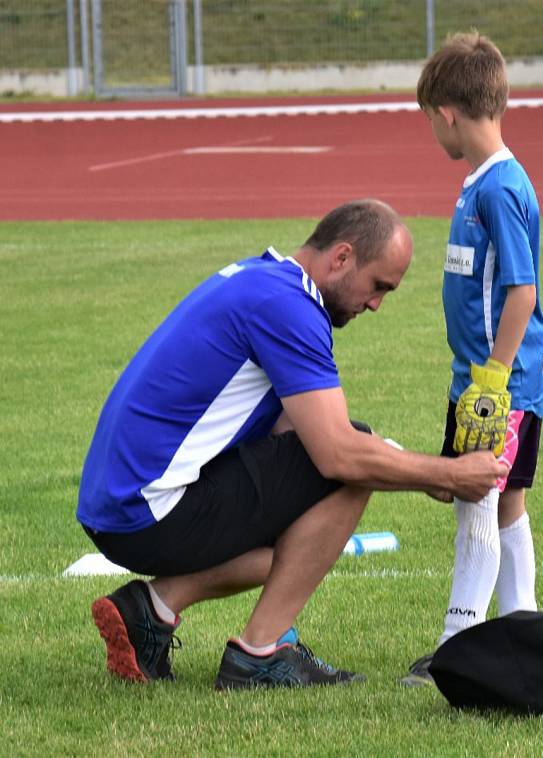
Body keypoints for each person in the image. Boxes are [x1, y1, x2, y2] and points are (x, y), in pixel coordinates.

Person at [77, 198, 507, 690]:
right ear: (341, 258)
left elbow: (289, 428)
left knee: (299, 540)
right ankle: (260, 653)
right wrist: (447, 474)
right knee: (351, 466)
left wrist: (406, 465)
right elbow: (339, 454)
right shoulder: (289, 307)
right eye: (378, 286)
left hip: (119, 504)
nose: (375, 304)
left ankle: (150, 610)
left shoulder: (261, 279)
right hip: (147, 510)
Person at [401, 33, 543, 686]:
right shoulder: (480, 182)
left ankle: (456, 646)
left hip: (499, 384)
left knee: (476, 502)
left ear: (447, 113)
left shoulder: (497, 189)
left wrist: (493, 375)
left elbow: (522, 289)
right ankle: (526, 630)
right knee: (508, 499)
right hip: (486, 378)